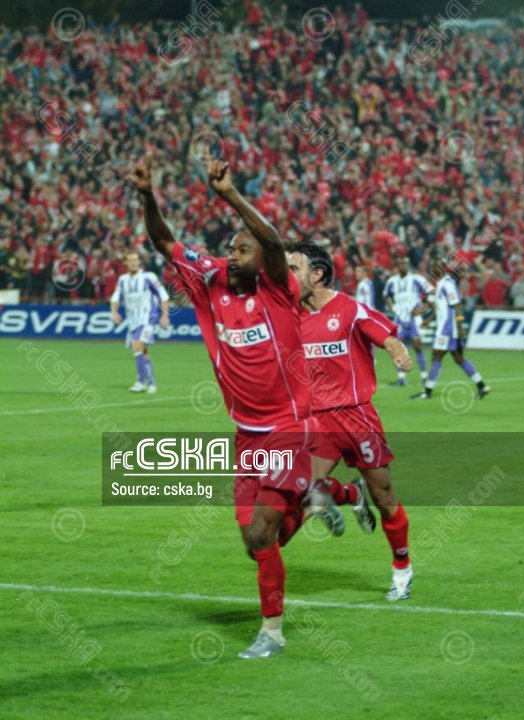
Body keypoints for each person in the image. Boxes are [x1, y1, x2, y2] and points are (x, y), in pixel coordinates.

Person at [126, 153, 341, 659]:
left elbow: (273, 240)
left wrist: (230, 195)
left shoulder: (280, 288)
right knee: (255, 543)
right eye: (233, 248)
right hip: (246, 435)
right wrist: (147, 194)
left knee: (263, 530)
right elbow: (163, 241)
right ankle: (315, 497)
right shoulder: (209, 280)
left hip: (290, 426)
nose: (236, 254)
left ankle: (272, 633)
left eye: (245, 248)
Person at [287, 241, 415, 601]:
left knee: (384, 496)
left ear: (317, 274)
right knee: (302, 490)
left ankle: (402, 566)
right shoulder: (289, 316)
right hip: (318, 421)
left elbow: (387, 337)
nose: (286, 275)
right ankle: (347, 493)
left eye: (293, 269)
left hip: (357, 417)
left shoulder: (349, 309)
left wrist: (398, 352)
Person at [412, 260, 491, 400]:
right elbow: (440, 308)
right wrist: (429, 320)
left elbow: (457, 305)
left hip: (447, 329)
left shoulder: (448, 284)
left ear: (442, 268)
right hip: (448, 329)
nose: (433, 270)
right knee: (459, 358)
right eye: (432, 267)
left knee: (436, 356)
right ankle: (482, 386)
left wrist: (460, 327)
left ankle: (427, 392)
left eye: (435, 267)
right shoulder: (440, 284)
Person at [110, 250, 170, 393]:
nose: (133, 263)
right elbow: (115, 298)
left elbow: (163, 296)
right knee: (143, 351)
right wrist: (114, 312)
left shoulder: (149, 277)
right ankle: (151, 384)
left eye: (136, 260)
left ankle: (140, 382)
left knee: (136, 346)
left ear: (139, 262)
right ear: (125, 263)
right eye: (130, 260)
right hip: (132, 320)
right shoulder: (123, 279)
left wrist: (165, 316)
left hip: (148, 318)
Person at [383, 257, 433, 387]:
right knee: (396, 347)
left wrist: (422, 308)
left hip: (413, 318)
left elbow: (431, 292)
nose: (403, 266)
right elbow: (386, 296)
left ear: (408, 265)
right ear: (397, 266)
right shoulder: (392, 281)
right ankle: (401, 378)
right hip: (399, 318)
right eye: (401, 264)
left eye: (405, 264)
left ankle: (424, 376)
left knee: (417, 346)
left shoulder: (417, 279)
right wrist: (392, 307)